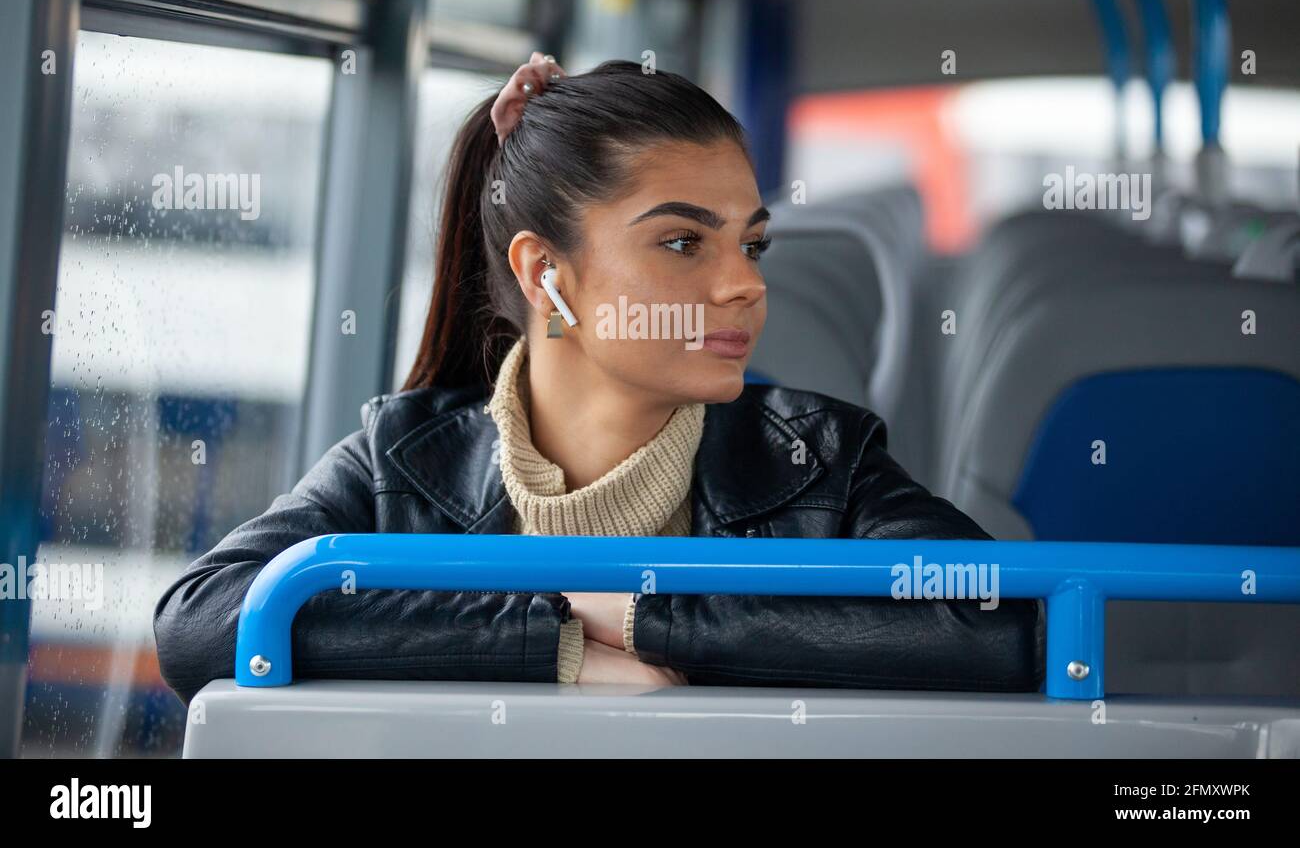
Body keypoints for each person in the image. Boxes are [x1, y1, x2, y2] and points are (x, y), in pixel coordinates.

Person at [153, 53, 1044, 707]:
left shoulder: (819, 461)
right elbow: (202, 620)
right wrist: (557, 639)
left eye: (752, 243)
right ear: (546, 274)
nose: (747, 283)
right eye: (685, 242)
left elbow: (995, 626)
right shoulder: (404, 463)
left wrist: (648, 618)